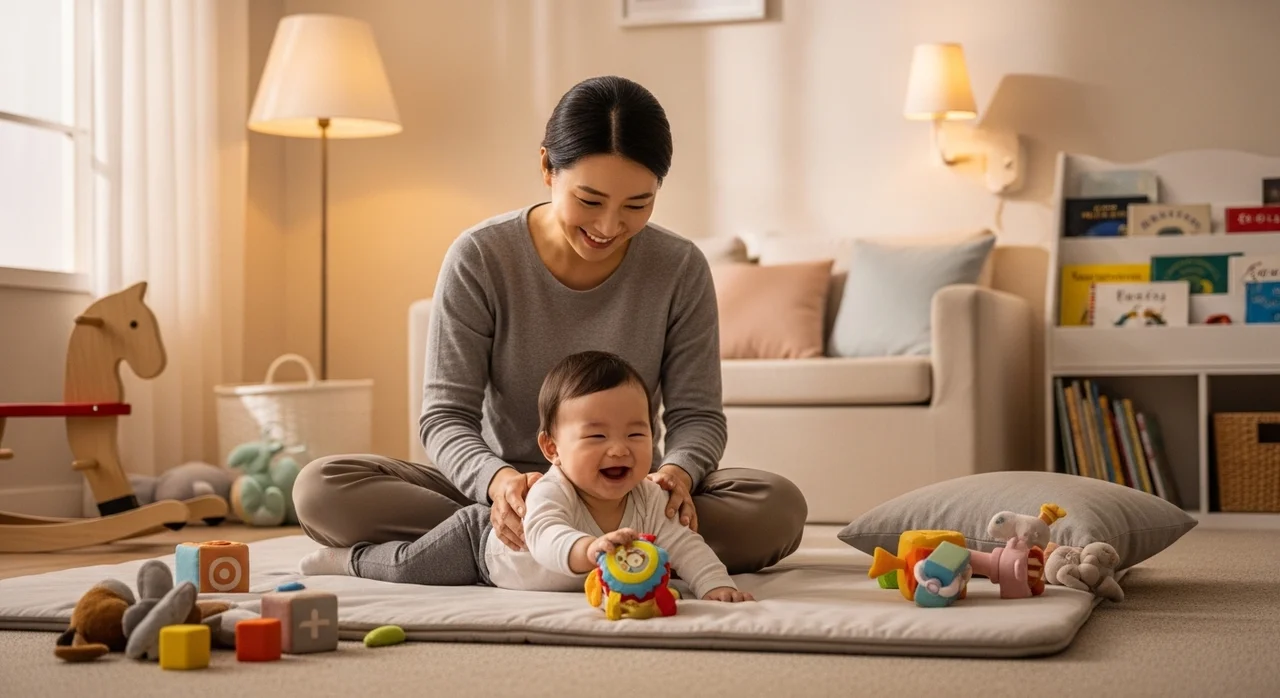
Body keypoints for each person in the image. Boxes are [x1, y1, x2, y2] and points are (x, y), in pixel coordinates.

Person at [292, 74, 807, 575]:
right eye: (589, 201)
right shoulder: (481, 256)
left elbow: (698, 416)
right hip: (506, 487)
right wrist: (500, 483)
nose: (609, 226)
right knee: (321, 488)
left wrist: (676, 476)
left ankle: (504, 549)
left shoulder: (680, 267)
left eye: (638, 204)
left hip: (628, 495)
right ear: (546, 168)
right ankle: (545, 538)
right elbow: (445, 416)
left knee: (776, 507)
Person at [301, 351, 755, 603]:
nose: (619, 448)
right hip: (481, 547)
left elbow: (686, 542)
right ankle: (346, 559)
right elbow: (546, 537)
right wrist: (588, 549)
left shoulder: (650, 495)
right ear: (551, 449)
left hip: (535, 556)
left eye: (637, 433)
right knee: (406, 566)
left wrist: (717, 586)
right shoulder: (550, 490)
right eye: (596, 435)